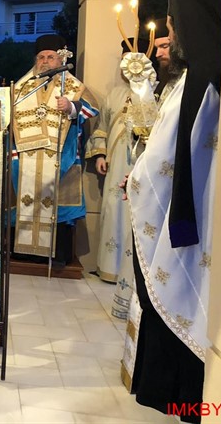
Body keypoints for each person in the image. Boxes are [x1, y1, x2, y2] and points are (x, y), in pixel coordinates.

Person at [127, 0, 221, 423]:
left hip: (187, 211)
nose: (168, 38)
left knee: (180, 298)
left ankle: (188, 402)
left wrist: (136, 179)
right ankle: (191, 402)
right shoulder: (202, 76)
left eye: (171, 28)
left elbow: (162, 158)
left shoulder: (197, 82)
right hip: (198, 206)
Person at [11, 34, 99, 266]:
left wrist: (71, 106)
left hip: (61, 157)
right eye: (41, 57)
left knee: (58, 207)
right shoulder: (22, 87)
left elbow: (92, 109)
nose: (45, 61)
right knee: (23, 201)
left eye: (50, 57)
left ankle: (56, 255)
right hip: (27, 156)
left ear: (60, 59)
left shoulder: (73, 86)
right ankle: (24, 253)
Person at [86, 38, 150, 319]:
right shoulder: (113, 94)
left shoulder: (153, 90)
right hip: (114, 166)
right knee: (113, 212)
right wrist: (100, 154)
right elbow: (101, 127)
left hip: (141, 162)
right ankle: (109, 269)